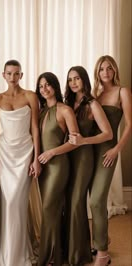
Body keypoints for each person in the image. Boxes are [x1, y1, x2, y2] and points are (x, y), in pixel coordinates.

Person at [0, 59, 41, 266]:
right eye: (9, 73)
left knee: (18, 202)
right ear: (3, 75)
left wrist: (36, 158)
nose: (13, 77)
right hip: (5, 155)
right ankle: (8, 254)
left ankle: (20, 254)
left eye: (17, 74)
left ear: (21, 75)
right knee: (8, 203)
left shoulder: (30, 96)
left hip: (25, 152)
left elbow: (35, 128)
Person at [64, 66, 113, 266]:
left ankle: (79, 253)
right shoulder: (67, 103)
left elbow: (108, 134)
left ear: (84, 80)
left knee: (77, 201)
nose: (74, 83)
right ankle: (74, 246)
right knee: (69, 201)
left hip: (84, 157)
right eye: (70, 80)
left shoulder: (92, 104)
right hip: (67, 157)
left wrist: (84, 141)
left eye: (77, 78)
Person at [88, 55, 131, 266]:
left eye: (109, 68)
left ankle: (103, 254)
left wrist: (117, 149)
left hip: (108, 152)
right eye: (102, 69)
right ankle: (99, 241)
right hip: (90, 150)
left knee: (97, 200)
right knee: (91, 199)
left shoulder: (122, 91)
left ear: (114, 71)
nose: (106, 72)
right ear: (97, 72)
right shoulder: (95, 94)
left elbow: (130, 125)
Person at [35, 72, 79, 266]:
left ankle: (51, 257)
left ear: (55, 86)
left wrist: (52, 152)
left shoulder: (65, 110)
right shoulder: (42, 111)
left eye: (47, 85)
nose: (44, 89)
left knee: (48, 208)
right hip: (43, 168)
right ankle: (53, 252)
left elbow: (75, 141)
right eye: (41, 86)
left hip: (58, 166)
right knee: (50, 210)